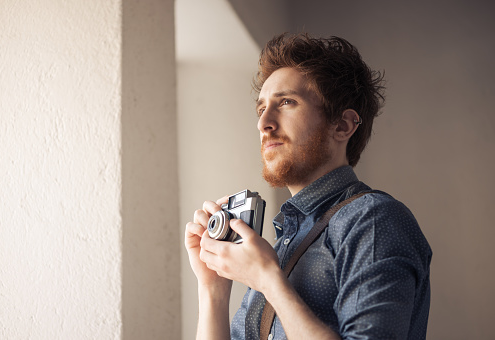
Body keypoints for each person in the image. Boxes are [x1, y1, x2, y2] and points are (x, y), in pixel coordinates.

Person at [185, 33, 432, 340]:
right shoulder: (279, 246)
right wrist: (213, 289)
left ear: (342, 125)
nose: (264, 124)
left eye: (286, 102)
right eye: (261, 109)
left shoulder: (374, 221)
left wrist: (268, 279)